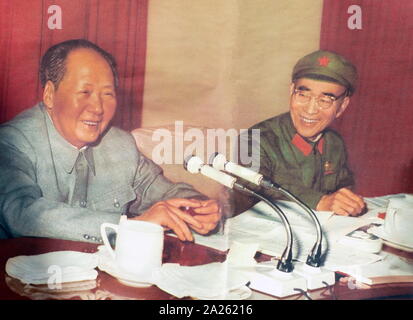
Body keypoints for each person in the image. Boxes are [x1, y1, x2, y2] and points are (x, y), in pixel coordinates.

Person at [0, 39, 221, 243]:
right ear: (49, 94)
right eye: (85, 92)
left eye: (107, 94)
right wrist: (130, 227)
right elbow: (22, 214)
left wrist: (197, 208)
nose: (97, 108)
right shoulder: (11, 143)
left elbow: (165, 193)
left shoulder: (122, 146)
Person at [233, 50, 366, 216]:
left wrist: (347, 202)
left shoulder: (335, 143)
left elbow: (345, 185)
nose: (310, 110)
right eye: (303, 95)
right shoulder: (253, 139)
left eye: (325, 100)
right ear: (291, 91)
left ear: (342, 106)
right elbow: (255, 184)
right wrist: (319, 201)